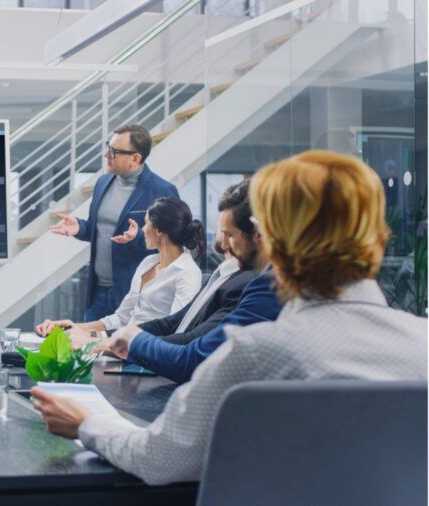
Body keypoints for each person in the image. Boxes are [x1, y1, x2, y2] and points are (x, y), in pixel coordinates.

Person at [31, 149, 427, 485]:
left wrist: (84, 423)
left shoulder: (258, 354)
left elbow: (158, 459)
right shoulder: (421, 344)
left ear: (271, 238)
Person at [50, 124, 179, 322]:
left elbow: (174, 245)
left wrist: (137, 237)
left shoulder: (162, 191)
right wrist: (81, 228)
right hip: (97, 293)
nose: (105, 154)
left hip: (134, 296)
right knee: (87, 349)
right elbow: (99, 229)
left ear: (135, 159)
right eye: (107, 147)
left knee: (124, 352)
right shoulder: (103, 183)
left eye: (113, 151)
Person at [38, 197, 204, 338]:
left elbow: (174, 332)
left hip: (143, 355)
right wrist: (75, 327)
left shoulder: (186, 274)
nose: (143, 230)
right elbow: (122, 317)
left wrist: (95, 339)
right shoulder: (148, 263)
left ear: (159, 230)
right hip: (122, 345)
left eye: (146, 223)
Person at [127, 181, 259, 347]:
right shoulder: (223, 273)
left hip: (171, 358)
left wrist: (128, 345)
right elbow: (174, 322)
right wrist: (114, 336)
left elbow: (192, 341)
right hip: (162, 350)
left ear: (257, 236)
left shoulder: (244, 283)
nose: (224, 243)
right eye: (222, 231)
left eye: (229, 234)